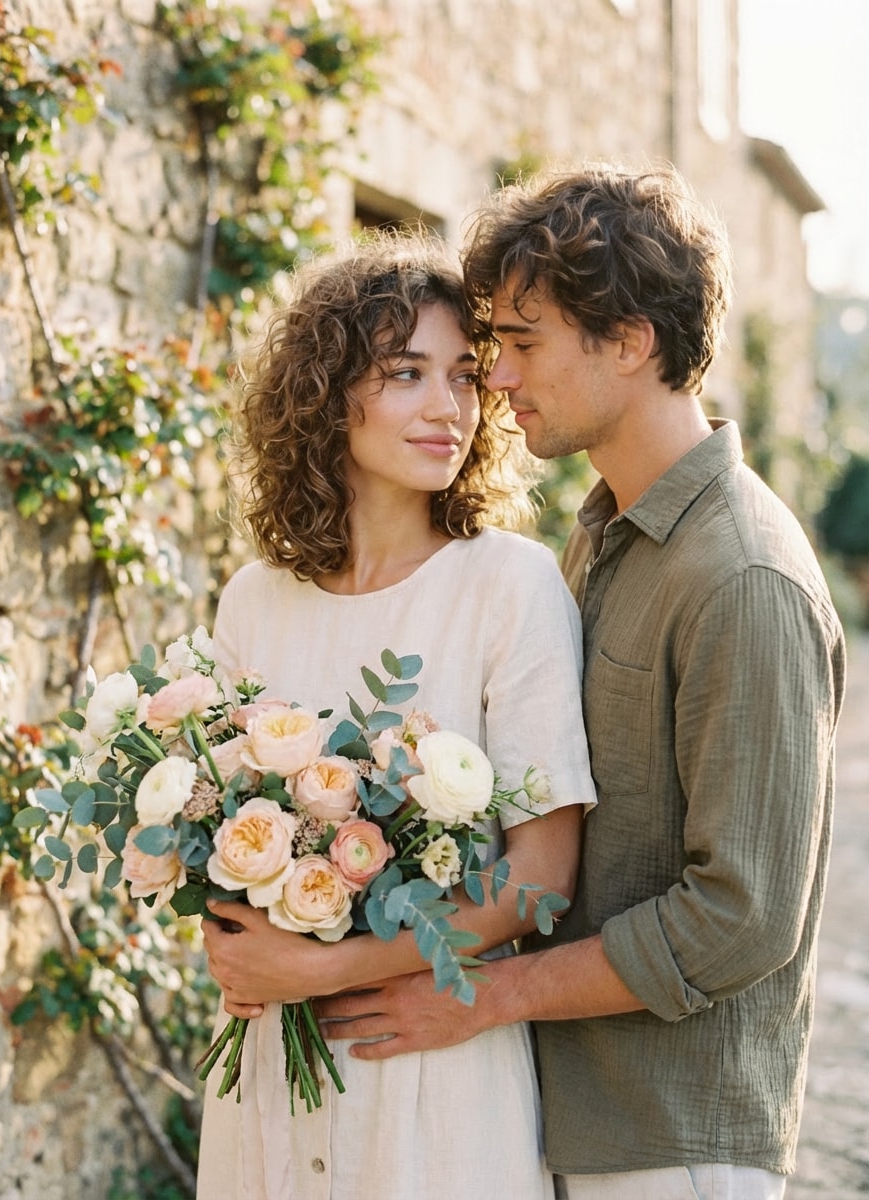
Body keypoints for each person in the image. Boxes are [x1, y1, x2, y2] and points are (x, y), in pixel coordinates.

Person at [314, 164, 847, 1200]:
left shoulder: (740, 576)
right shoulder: (603, 535)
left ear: (630, 341)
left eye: (521, 343)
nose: (494, 379)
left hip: (674, 1140)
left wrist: (481, 994)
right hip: (571, 1119)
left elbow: (738, 916)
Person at [195, 229, 598, 1200]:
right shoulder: (253, 599)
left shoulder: (510, 584)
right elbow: (211, 841)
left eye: (464, 374)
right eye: (405, 371)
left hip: (433, 1075)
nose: (447, 406)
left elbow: (538, 879)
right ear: (329, 390)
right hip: (266, 1084)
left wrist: (322, 974)